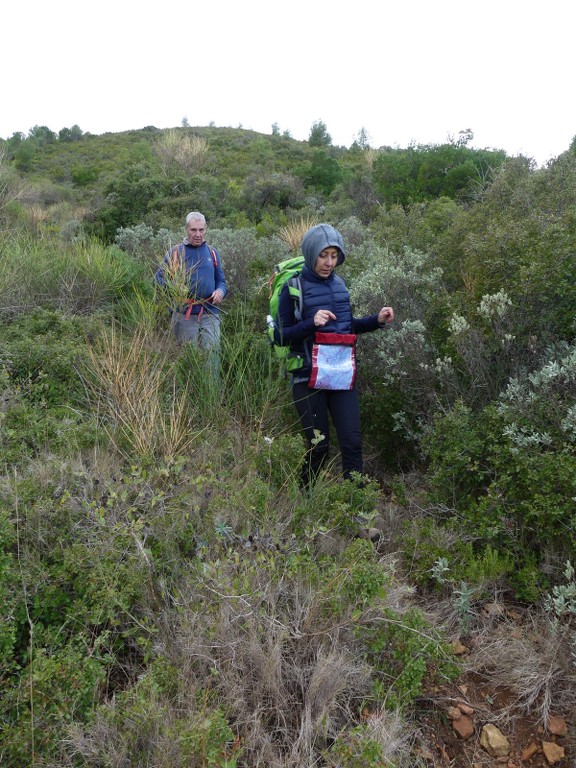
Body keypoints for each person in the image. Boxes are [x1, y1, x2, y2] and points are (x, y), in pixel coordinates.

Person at [274, 223, 394, 487]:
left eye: (334, 256)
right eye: (323, 255)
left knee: (352, 443)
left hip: (340, 375)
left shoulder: (340, 285)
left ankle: (359, 513)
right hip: (307, 378)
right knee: (319, 447)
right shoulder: (292, 288)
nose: (329, 263)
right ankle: (305, 501)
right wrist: (310, 323)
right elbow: (280, 336)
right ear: (310, 254)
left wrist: (377, 320)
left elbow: (347, 327)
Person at [154, 211, 227, 376]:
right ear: (186, 229)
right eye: (193, 230)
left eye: (201, 230)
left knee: (213, 355)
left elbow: (222, 282)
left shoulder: (212, 253)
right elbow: (157, 280)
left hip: (210, 313)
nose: (198, 234)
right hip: (184, 315)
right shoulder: (175, 253)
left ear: (206, 229)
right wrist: (174, 287)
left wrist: (220, 292)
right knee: (188, 359)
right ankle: (189, 398)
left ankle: (212, 397)